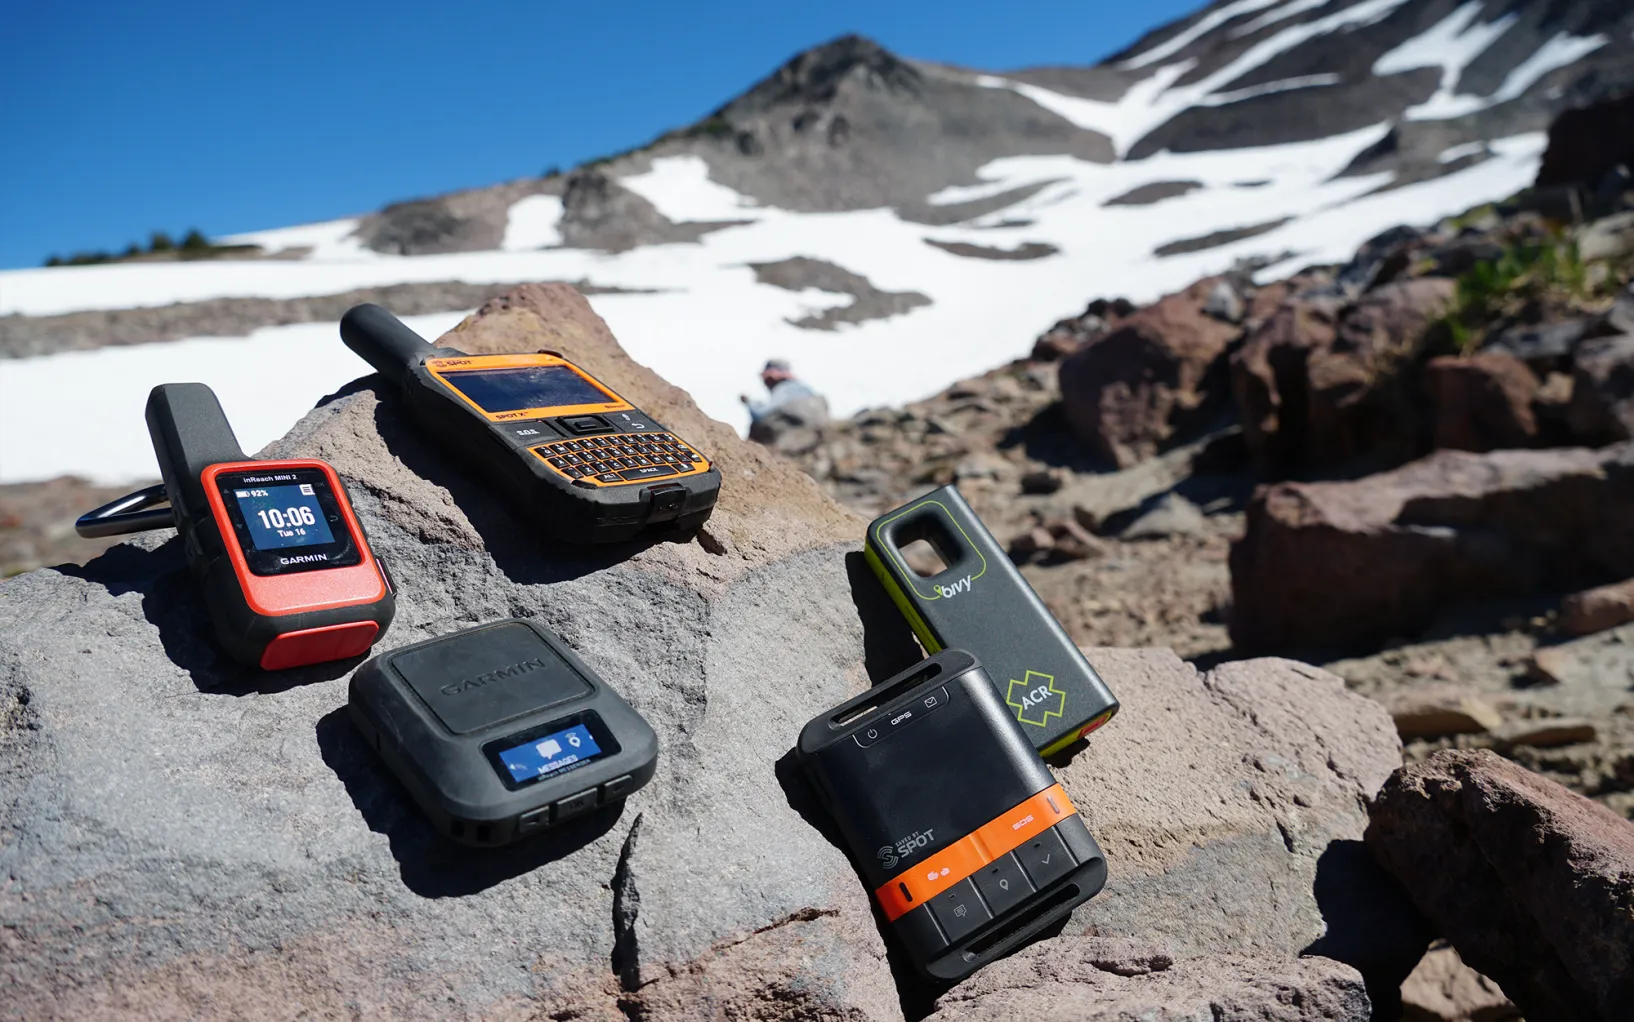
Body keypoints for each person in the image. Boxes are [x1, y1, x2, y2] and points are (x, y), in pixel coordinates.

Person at [741, 359, 829, 448]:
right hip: (815, 436)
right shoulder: (804, 389)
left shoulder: (785, 388)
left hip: (794, 439)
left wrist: (749, 403)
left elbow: (761, 414)